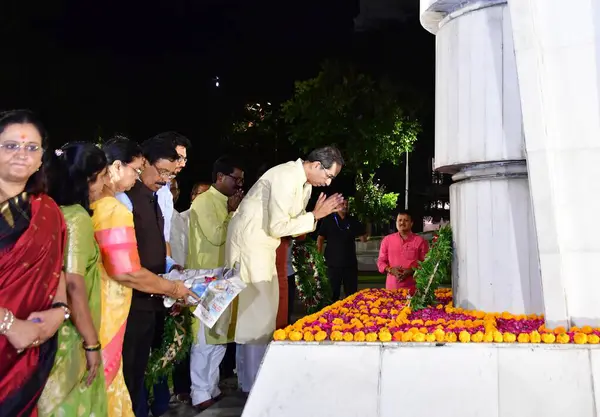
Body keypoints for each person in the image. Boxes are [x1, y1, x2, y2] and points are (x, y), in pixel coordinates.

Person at [225, 146, 345, 393]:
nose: (328, 182)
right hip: (252, 246)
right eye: (329, 175)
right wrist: (315, 215)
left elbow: (294, 227)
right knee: (256, 317)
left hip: (264, 247)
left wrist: (315, 216)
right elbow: (279, 225)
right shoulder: (285, 176)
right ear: (315, 165)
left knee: (261, 315)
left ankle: (251, 380)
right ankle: (252, 385)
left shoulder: (305, 184)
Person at [92, 137, 195, 417]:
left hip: (147, 297)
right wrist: (172, 288)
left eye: (171, 175)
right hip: (125, 302)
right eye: (161, 172)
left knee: (136, 376)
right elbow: (125, 268)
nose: (165, 180)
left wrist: (170, 267)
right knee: (121, 377)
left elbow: (155, 244)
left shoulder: (150, 197)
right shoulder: (119, 202)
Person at [0, 110, 69, 417]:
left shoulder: (48, 210)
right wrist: (9, 325)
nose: (21, 154)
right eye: (10, 145)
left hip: (28, 351)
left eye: (31, 148)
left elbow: (58, 270)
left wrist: (58, 311)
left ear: (41, 158)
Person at [39, 142, 109, 416]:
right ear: (87, 178)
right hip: (72, 338)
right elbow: (73, 283)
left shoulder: (51, 211)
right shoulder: (77, 218)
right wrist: (91, 343)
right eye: (102, 176)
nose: (104, 185)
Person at [187, 157, 244, 411]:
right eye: (236, 179)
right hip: (206, 280)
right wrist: (232, 212)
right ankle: (199, 392)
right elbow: (218, 235)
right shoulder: (204, 201)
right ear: (220, 177)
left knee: (219, 338)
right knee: (203, 338)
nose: (239, 185)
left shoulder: (227, 203)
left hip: (226, 278)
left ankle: (211, 386)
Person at [317, 200, 367, 301]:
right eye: (342, 204)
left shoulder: (353, 220)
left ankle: (351, 315)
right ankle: (332, 315)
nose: (345, 206)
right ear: (336, 205)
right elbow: (320, 238)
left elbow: (363, 238)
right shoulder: (328, 219)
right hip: (332, 264)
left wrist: (364, 231)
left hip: (350, 264)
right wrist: (318, 255)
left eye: (347, 204)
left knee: (351, 295)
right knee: (332, 294)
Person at [377, 211, 429, 293]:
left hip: (414, 289)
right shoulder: (387, 240)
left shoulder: (420, 241)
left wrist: (412, 271)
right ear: (396, 222)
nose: (402, 223)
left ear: (411, 223)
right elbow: (381, 262)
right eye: (400, 220)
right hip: (392, 289)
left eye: (406, 220)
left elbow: (426, 264)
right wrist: (391, 270)